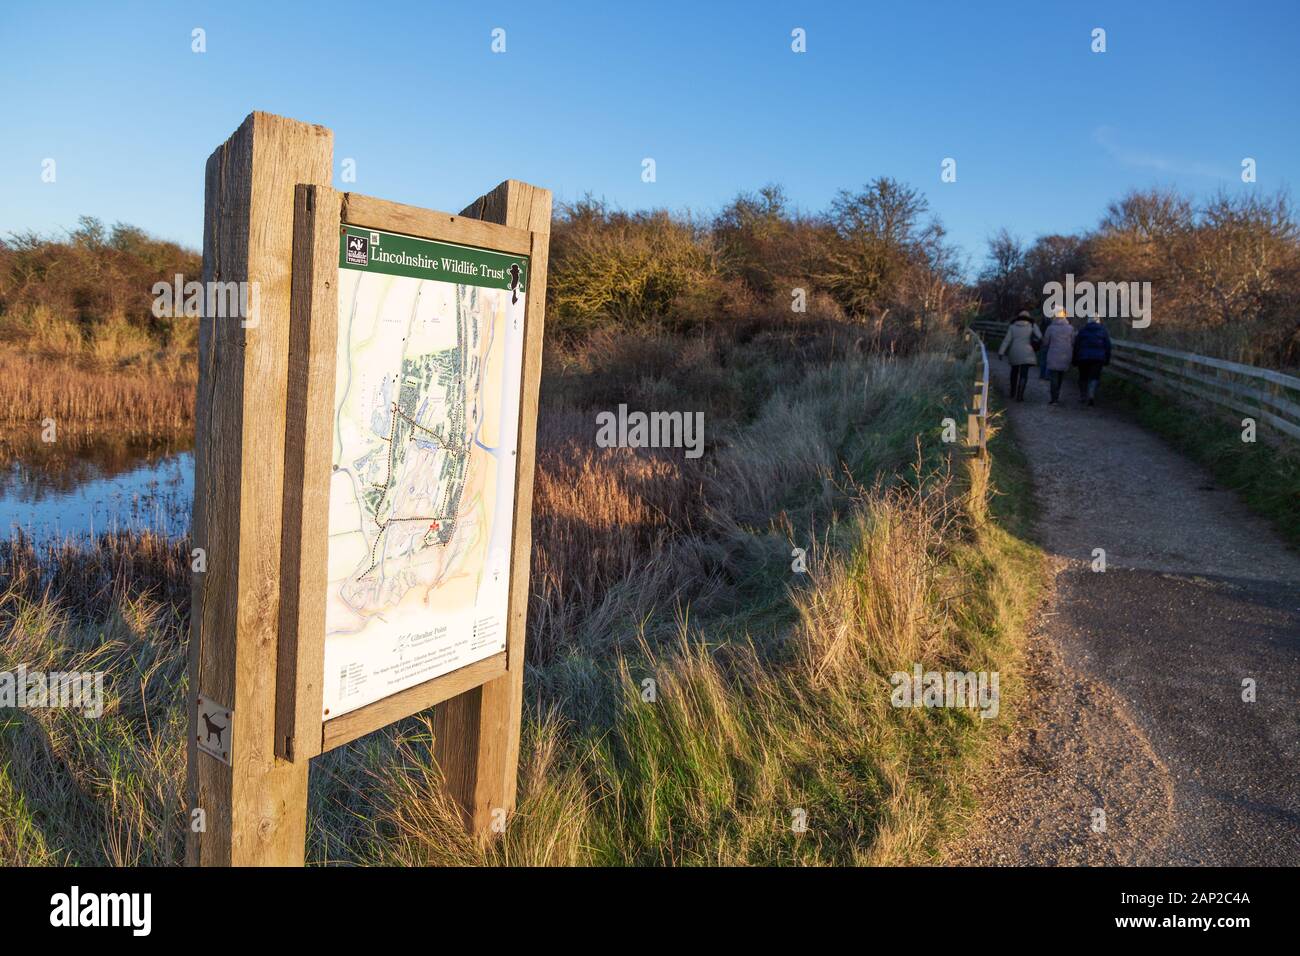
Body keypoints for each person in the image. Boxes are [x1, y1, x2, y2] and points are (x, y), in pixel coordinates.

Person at [997, 310, 1042, 402]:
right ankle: (1020, 395)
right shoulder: (1032, 325)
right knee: (1024, 374)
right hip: (1027, 352)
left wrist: (1001, 352)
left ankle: (1012, 392)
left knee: (1014, 372)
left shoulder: (1012, 326)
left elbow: (1007, 340)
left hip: (1014, 351)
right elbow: (1040, 337)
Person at [1073, 316, 1112, 406]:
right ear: (1098, 321)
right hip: (1098, 358)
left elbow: (1076, 345)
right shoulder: (1103, 331)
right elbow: (1108, 346)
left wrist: (1075, 358)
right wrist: (1107, 358)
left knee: (1083, 376)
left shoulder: (1082, 331)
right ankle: (1091, 394)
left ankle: (1083, 395)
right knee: (1094, 377)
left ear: (1088, 321)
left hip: (1083, 358)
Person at [1040, 309, 1075, 405]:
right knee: (1060, 376)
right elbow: (1073, 342)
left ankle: (1054, 398)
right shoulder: (1070, 328)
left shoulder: (1050, 328)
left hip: (1053, 354)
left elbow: (1046, 342)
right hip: (1066, 355)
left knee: (1054, 376)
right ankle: (1057, 395)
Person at [1036, 312, 1052, 380]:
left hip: (1044, 341)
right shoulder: (1052, 322)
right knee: (1049, 360)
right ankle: (1046, 375)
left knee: (1043, 359)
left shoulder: (1043, 322)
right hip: (1050, 343)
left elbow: (1039, 331)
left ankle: (1042, 374)